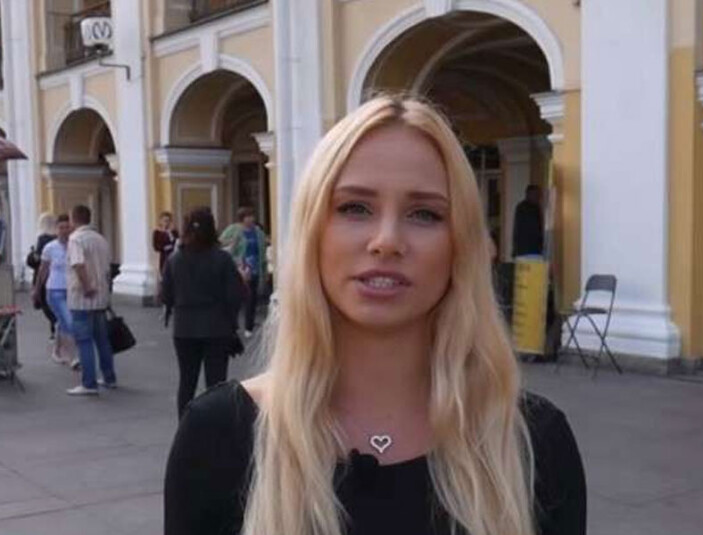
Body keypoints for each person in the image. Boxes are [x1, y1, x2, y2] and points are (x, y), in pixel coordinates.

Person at [164, 96, 586, 535]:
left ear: (461, 246)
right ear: (313, 232)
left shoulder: (534, 443)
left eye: (424, 214)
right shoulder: (219, 436)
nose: (387, 241)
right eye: (355, 207)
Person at [161, 207, 245, 419]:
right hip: (217, 328)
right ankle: (215, 427)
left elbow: (165, 295)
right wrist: (232, 321)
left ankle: (185, 427)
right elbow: (235, 295)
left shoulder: (175, 260)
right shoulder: (222, 259)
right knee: (216, 384)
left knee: (186, 381)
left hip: (184, 328)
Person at [65, 205, 116, 396]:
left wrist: (87, 287)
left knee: (84, 341)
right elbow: (108, 268)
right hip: (101, 297)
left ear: (74, 219)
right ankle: (109, 377)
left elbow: (78, 264)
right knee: (102, 340)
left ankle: (89, 383)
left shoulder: (76, 239)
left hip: (82, 298)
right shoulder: (101, 239)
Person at [32, 214, 77, 366]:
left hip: (72, 290)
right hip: (54, 290)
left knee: (62, 322)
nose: (64, 231)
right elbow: (43, 270)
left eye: (67, 227)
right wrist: (37, 289)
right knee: (69, 322)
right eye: (61, 228)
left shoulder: (75, 246)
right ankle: (72, 357)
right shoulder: (50, 247)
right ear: (56, 229)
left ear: (71, 228)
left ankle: (57, 351)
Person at [219, 206, 267, 337]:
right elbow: (220, 243)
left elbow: (262, 251)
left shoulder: (258, 232)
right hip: (238, 268)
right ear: (242, 218)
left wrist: (263, 270)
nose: (251, 219)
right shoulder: (233, 229)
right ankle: (233, 325)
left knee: (251, 299)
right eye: (248, 216)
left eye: (252, 216)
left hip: (254, 268)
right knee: (235, 298)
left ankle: (248, 327)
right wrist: (232, 243)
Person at [28, 212, 57, 339]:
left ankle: (56, 329)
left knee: (46, 304)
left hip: (44, 277)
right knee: (55, 305)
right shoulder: (57, 238)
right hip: (56, 276)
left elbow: (38, 261)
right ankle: (55, 330)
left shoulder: (42, 239)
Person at [512, 184, 544, 257]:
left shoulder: (536, 208)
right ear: (528, 194)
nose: (538, 197)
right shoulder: (523, 208)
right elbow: (518, 229)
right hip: (526, 249)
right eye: (536, 194)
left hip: (532, 249)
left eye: (538, 195)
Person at [152, 211, 179, 276]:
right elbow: (156, 247)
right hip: (164, 257)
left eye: (168, 221)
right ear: (161, 221)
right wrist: (165, 247)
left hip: (174, 256)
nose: (167, 223)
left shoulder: (174, 232)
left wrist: (170, 233)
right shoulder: (157, 233)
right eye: (165, 221)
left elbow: (177, 241)